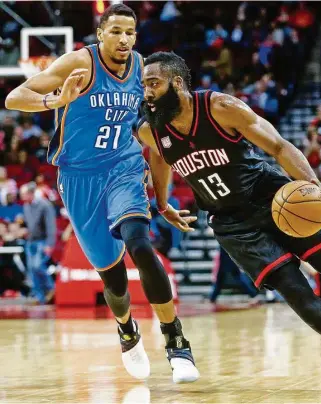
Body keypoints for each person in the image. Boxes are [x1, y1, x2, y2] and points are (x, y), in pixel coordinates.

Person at [137, 51, 321, 398]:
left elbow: (277, 145)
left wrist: (314, 185)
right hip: (232, 224)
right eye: (143, 85)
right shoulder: (150, 128)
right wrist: (161, 203)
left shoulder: (220, 108)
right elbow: (159, 158)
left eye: (153, 83)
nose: (147, 92)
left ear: (176, 83)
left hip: (272, 198)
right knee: (297, 294)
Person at [5, 6, 199, 384]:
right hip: (78, 178)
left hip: (124, 168)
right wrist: (55, 101)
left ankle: (176, 341)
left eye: (131, 32)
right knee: (113, 280)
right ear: (101, 33)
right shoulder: (79, 62)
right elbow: (15, 97)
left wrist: (162, 201)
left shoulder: (144, 71)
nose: (124, 39)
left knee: (140, 244)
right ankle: (127, 331)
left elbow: (158, 145)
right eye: (116, 32)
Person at [20, 182, 56, 304]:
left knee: (38, 266)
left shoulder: (44, 205)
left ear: (31, 193)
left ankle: (51, 289)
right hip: (30, 241)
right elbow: (29, 224)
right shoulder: (25, 206)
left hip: (42, 241)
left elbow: (51, 225)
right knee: (31, 269)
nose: (22, 197)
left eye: (24, 194)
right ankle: (39, 297)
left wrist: (50, 244)